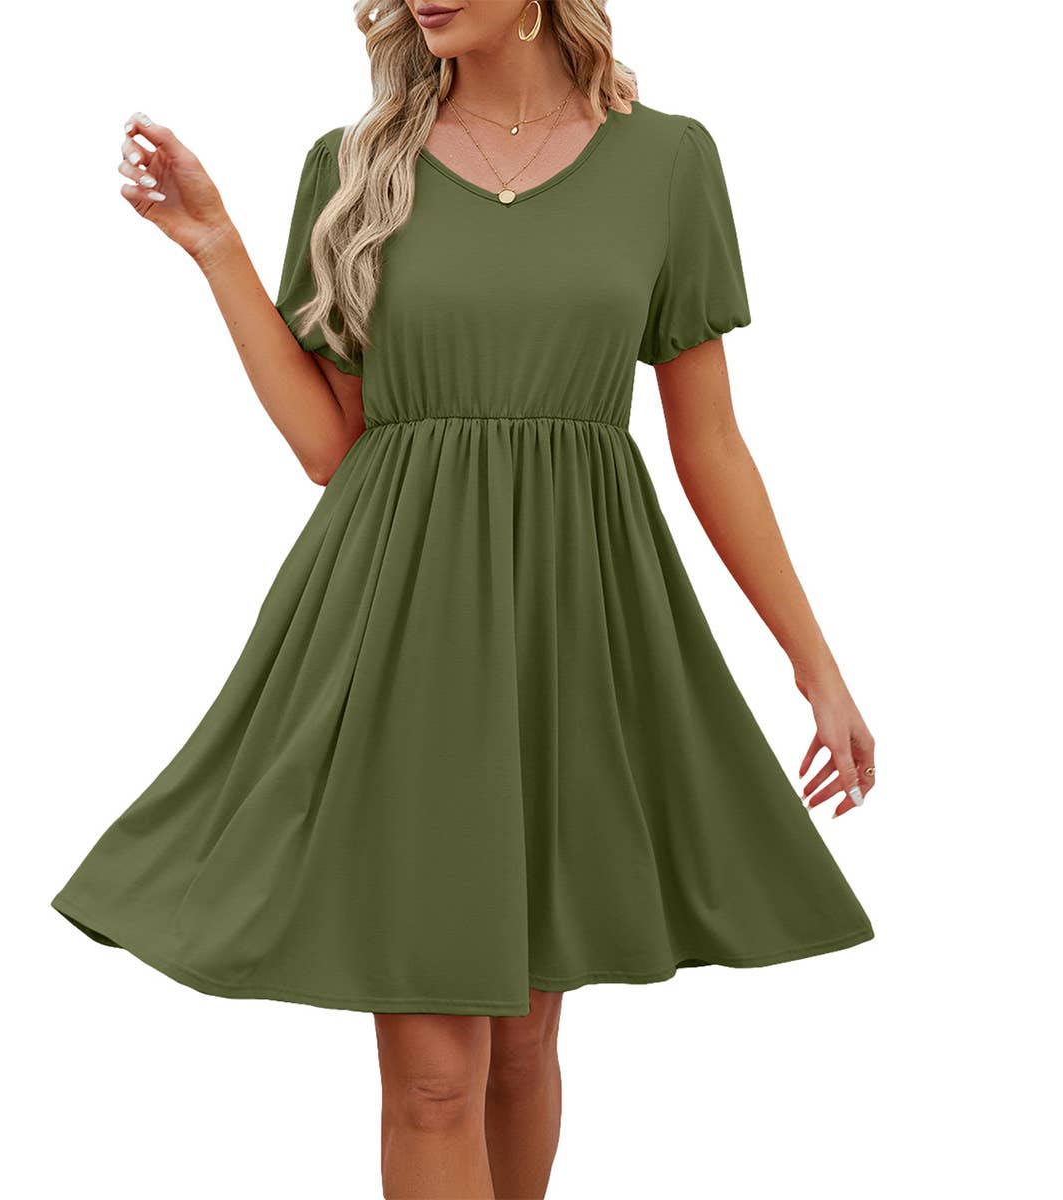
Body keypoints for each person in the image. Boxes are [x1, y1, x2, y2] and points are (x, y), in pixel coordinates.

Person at [51, 2, 877, 1195]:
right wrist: (220, 247)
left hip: (576, 620)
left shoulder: (669, 161)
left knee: (525, 1043)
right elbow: (331, 445)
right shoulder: (352, 166)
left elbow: (711, 444)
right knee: (436, 1075)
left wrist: (815, 663)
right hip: (403, 624)